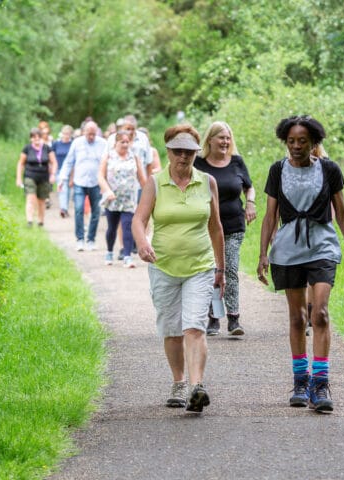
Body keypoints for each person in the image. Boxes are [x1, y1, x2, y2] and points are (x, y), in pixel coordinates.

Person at [256, 115, 344, 413]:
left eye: (302, 141)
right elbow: (270, 215)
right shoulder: (277, 170)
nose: (296, 146)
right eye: (291, 141)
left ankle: (321, 383)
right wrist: (263, 253)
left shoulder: (329, 170)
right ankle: (300, 381)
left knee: (321, 313)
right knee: (297, 318)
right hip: (288, 249)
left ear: (313, 142)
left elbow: (342, 214)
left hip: (322, 246)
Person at [132, 124, 225, 413]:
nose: (183, 157)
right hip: (164, 266)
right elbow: (139, 219)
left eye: (189, 152)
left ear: (197, 153)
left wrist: (221, 269)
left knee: (194, 326)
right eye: (177, 151)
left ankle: (197, 387)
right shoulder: (155, 183)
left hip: (200, 265)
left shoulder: (208, 182)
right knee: (172, 330)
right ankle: (179, 382)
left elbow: (216, 228)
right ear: (168, 152)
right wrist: (142, 243)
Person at [195, 121, 256, 336]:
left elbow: (249, 187)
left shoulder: (237, 162)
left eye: (228, 138)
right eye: (221, 137)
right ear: (210, 139)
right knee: (211, 271)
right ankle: (213, 318)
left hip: (233, 225)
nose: (225, 142)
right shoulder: (198, 163)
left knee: (229, 269)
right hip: (206, 227)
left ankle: (233, 318)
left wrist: (250, 203)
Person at [97, 129, 147, 268]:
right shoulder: (108, 156)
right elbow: (100, 176)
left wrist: (149, 194)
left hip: (129, 199)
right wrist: (107, 190)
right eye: (122, 142)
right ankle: (109, 252)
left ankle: (127, 256)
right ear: (116, 143)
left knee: (127, 226)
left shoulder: (134, 157)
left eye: (127, 142)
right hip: (112, 199)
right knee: (112, 228)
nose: (125, 144)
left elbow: (142, 179)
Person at [58, 121, 107, 251]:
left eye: (93, 134)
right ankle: (80, 239)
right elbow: (69, 161)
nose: (91, 137)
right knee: (79, 209)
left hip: (96, 182)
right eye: (89, 134)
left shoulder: (103, 143)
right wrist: (62, 178)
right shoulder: (77, 143)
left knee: (96, 212)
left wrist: (106, 183)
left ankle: (91, 239)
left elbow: (107, 162)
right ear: (84, 132)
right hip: (79, 182)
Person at [16, 127, 57, 227]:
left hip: (43, 177)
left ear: (41, 138)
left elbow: (54, 162)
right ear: (31, 138)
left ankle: (40, 221)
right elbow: (20, 163)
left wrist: (53, 174)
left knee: (41, 200)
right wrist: (18, 178)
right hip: (30, 176)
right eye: (34, 137)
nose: (36, 139)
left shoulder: (47, 148)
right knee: (30, 198)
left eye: (38, 137)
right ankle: (29, 221)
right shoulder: (27, 149)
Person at [53, 125, 74, 218]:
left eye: (68, 134)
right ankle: (63, 209)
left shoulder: (73, 144)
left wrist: (72, 177)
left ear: (71, 134)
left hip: (70, 171)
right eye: (64, 133)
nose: (66, 136)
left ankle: (65, 208)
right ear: (61, 134)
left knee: (68, 191)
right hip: (59, 170)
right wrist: (52, 170)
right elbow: (52, 157)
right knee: (63, 189)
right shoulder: (56, 144)